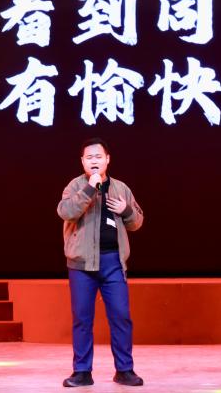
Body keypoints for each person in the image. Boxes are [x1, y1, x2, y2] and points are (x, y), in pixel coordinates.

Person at [57, 138, 145, 387]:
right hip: (81, 264)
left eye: (98, 157)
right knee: (82, 319)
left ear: (107, 159)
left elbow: (137, 222)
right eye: (89, 157)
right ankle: (82, 371)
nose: (94, 161)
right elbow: (66, 212)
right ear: (82, 162)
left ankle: (124, 370)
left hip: (113, 262)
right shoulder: (75, 186)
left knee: (121, 316)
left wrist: (126, 210)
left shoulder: (121, 188)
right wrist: (89, 189)